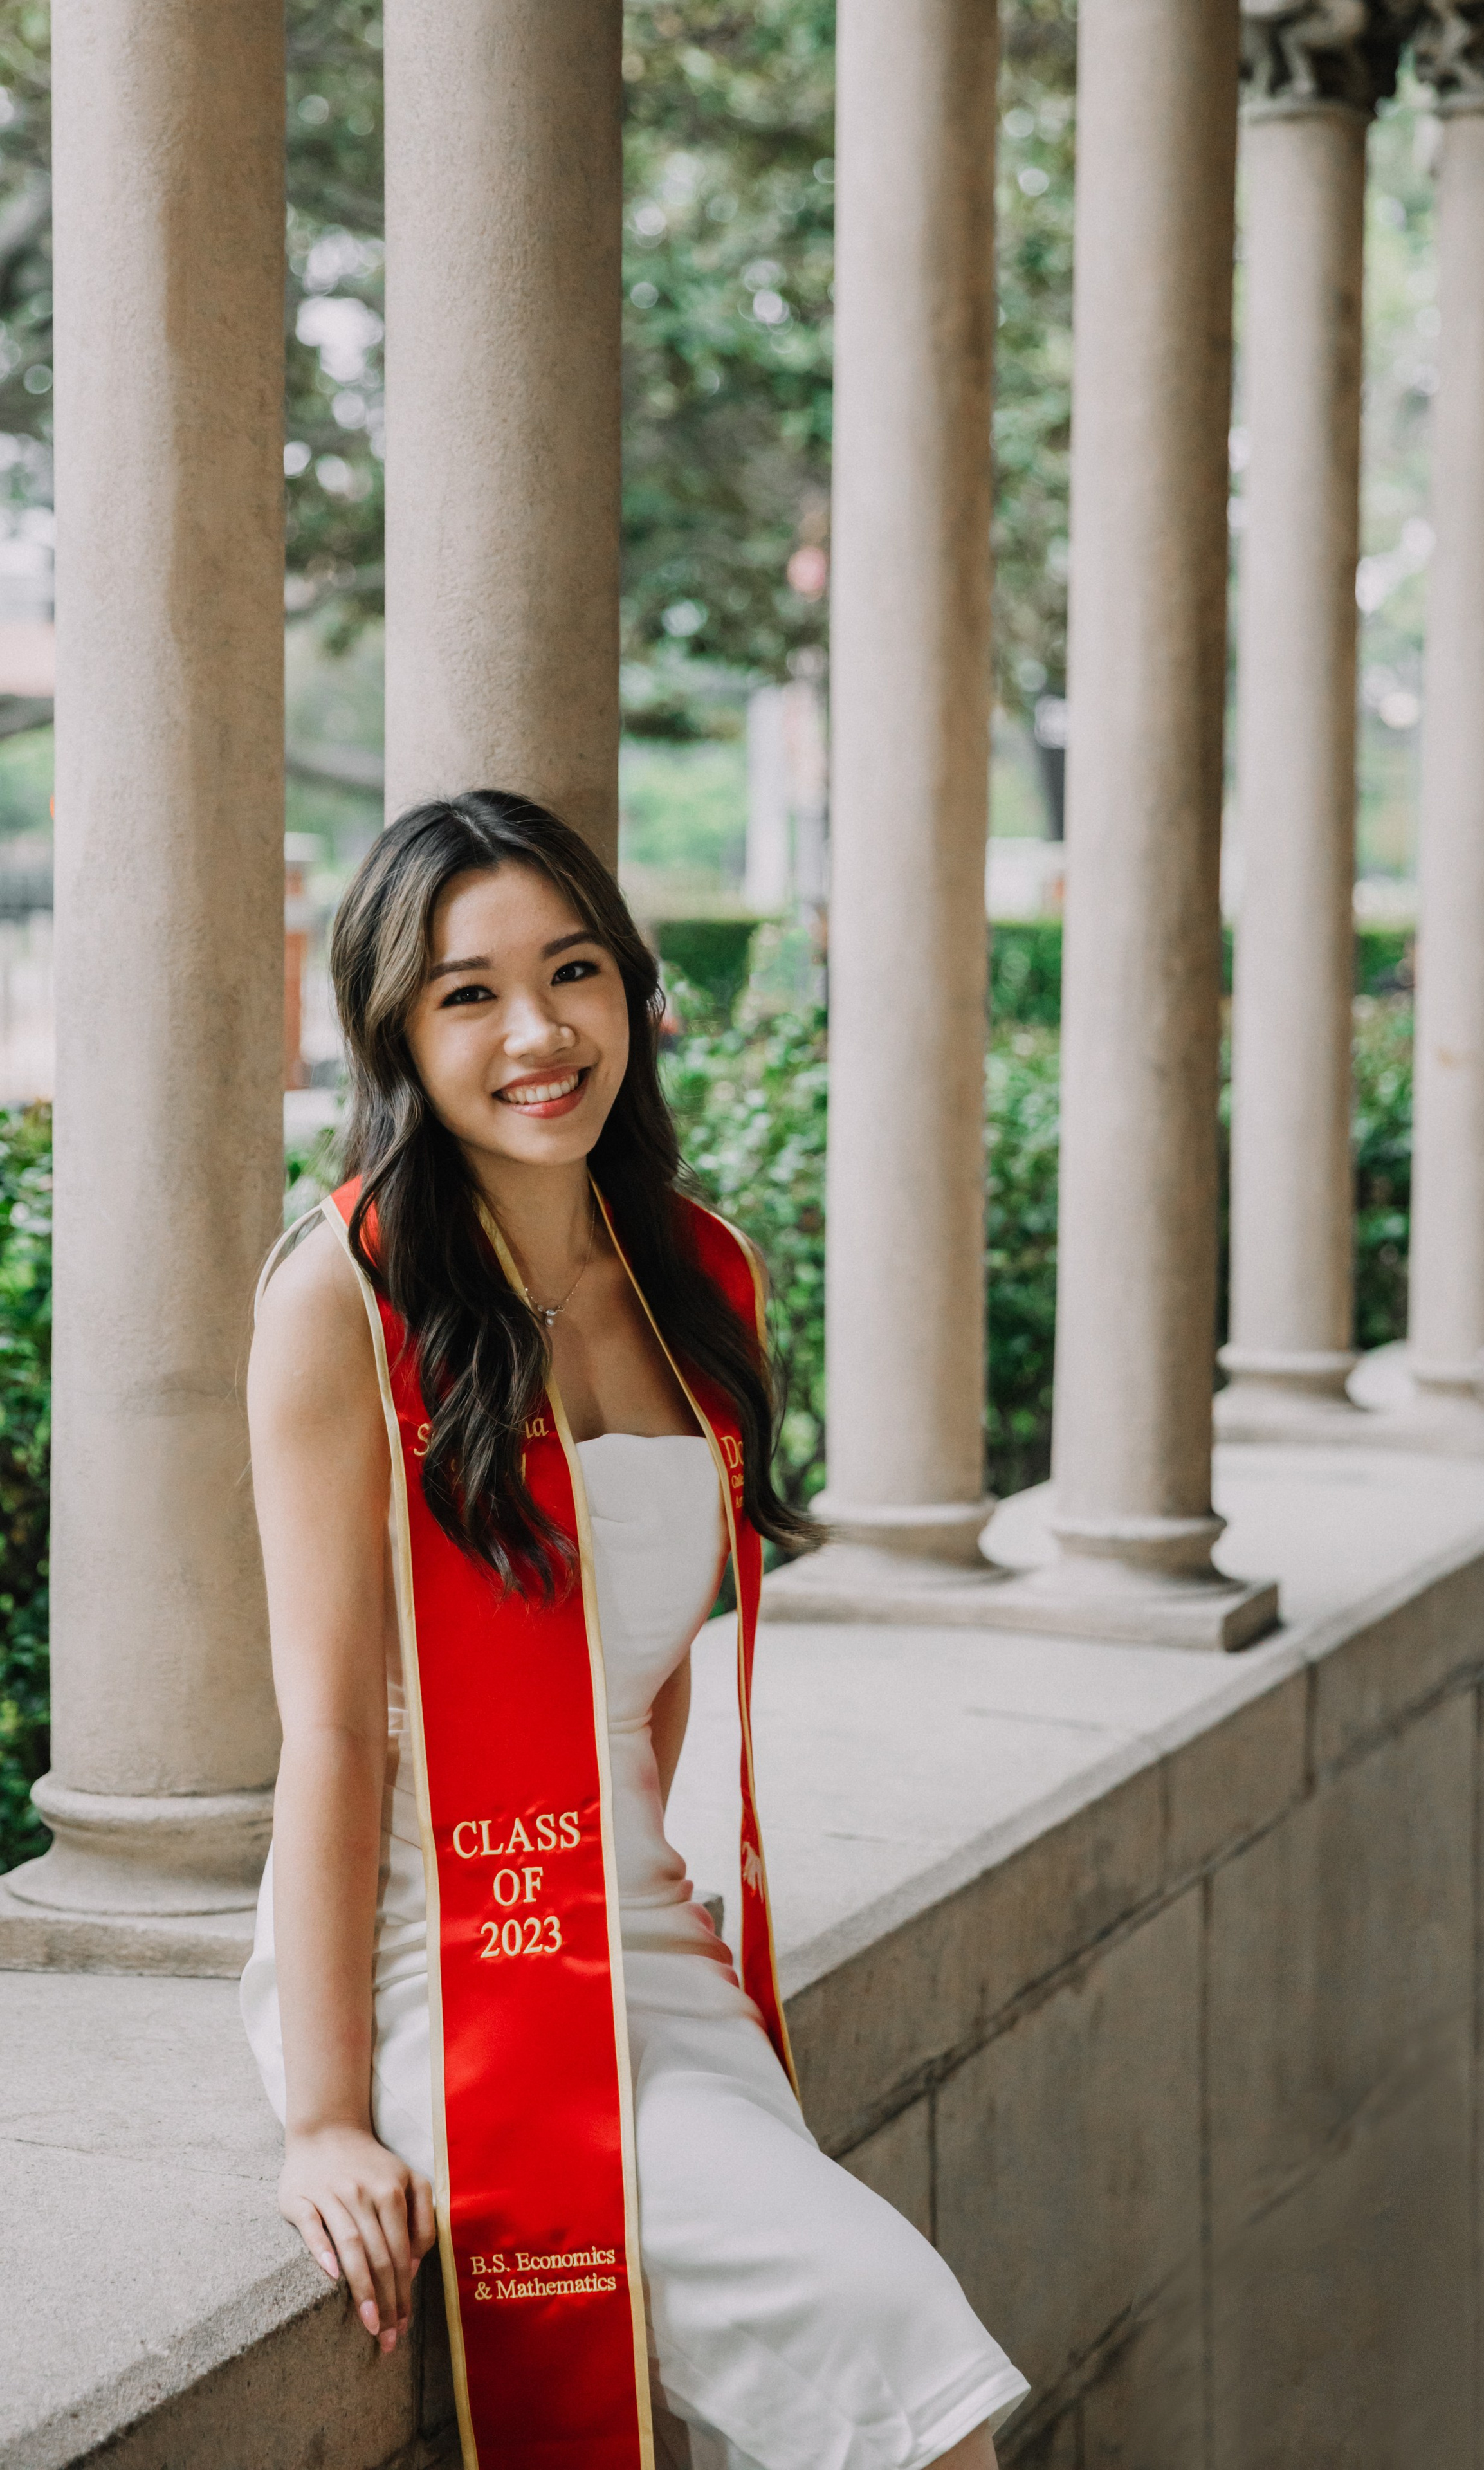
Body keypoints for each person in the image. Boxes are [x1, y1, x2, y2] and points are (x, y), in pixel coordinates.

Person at [240, 790, 1027, 2470]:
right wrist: (322, 2119)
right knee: (902, 2350)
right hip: (441, 1942)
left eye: (574, 970)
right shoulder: (341, 1302)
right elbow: (329, 1729)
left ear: (630, 985)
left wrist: (640, 1886)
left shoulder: (697, 1278)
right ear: (396, 1032)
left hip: (645, 1928)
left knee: (840, 2391)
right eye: (469, 993)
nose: (539, 1033)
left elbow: (653, 1664)